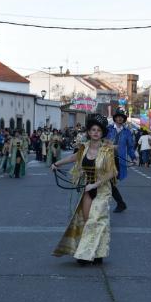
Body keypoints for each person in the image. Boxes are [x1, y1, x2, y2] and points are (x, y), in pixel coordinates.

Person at [51, 114, 117, 266]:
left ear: (102, 133)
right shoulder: (84, 148)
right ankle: (97, 252)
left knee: (96, 220)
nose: (95, 132)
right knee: (88, 221)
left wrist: (94, 185)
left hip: (102, 189)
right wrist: (57, 164)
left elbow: (113, 172)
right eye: (93, 130)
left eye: (99, 131)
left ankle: (85, 255)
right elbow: (74, 158)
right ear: (88, 132)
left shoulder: (107, 150)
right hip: (86, 188)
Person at [106, 109, 136, 213]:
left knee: (110, 182)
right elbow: (102, 142)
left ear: (124, 119)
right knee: (109, 182)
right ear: (115, 118)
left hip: (119, 161)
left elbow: (130, 146)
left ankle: (120, 203)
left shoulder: (127, 132)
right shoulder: (108, 129)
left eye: (122, 117)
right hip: (107, 159)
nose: (120, 118)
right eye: (118, 116)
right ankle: (120, 203)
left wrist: (133, 158)